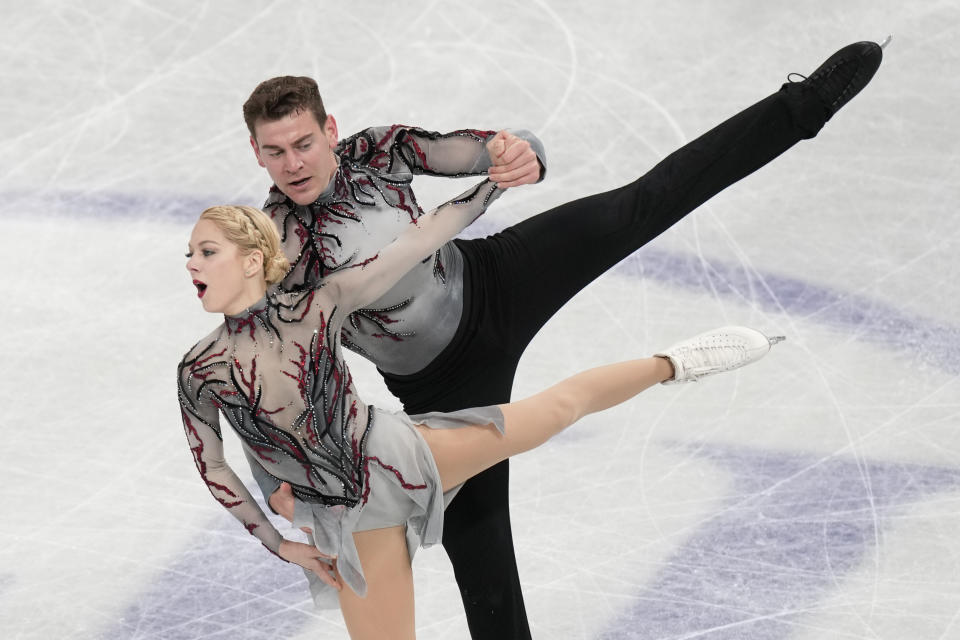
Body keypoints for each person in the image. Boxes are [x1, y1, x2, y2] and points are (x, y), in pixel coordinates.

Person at [239, 40, 884, 639]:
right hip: (440, 388)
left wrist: (520, 153)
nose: (293, 164)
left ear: (329, 130)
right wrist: (274, 485)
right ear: (256, 152)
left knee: (637, 206)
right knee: (483, 560)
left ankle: (801, 106)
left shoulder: (377, 152)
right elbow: (252, 378)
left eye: (303, 142)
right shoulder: (267, 252)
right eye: (276, 151)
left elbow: (485, 149)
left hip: (497, 278)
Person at [178, 201, 781, 640]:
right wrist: (280, 543)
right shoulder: (199, 368)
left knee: (554, 411)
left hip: (397, 454)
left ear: (253, 259)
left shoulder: (317, 304)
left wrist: (487, 186)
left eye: (207, 251)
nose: (192, 263)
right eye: (190, 254)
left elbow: (413, 246)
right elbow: (213, 462)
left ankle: (675, 363)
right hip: (347, 520)